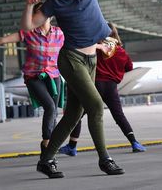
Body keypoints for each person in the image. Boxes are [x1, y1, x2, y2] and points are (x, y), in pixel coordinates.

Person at [21, 0, 124, 178]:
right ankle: (104, 159)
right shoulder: (53, 4)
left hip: (91, 59)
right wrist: (29, 6)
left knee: (72, 115)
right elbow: (28, 26)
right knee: (96, 106)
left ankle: (46, 160)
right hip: (71, 59)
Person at [0, 0, 64, 156]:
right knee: (50, 107)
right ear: (34, 16)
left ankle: (49, 145)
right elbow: (2, 40)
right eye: (38, 12)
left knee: (53, 111)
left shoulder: (60, 33)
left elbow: (76, 44)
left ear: (50, 16)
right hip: (34, 76)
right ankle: (47, 144)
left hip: (54, 75)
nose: (42, 15)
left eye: (44, 12)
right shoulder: (28, 33)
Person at [58, 23, 146, 156]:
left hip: (95, 85)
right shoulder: (121, 52)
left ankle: (72, 146)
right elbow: (129, 68)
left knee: (77, 116)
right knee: (119, 115)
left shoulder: (94, 49)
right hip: (111, 88)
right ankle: (134, 142)